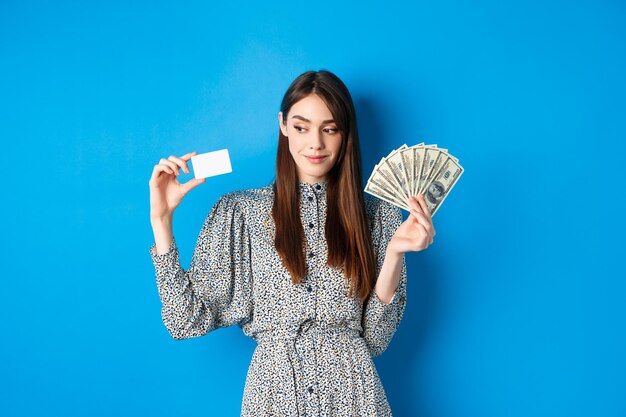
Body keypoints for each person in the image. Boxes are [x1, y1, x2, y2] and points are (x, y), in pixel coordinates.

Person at [148, 69, 435, 416]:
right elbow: (184, 321)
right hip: (275, 395)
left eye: (329, 129)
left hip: (355, 395)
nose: (315, 143)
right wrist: (161, 222)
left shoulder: (378, 217)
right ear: (283, 125)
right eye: (301, 127)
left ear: (345, 134)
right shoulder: (242, 213)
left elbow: (375, 337)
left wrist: (394, 253)